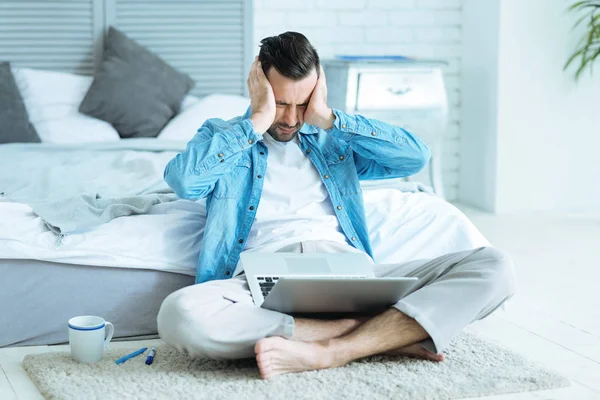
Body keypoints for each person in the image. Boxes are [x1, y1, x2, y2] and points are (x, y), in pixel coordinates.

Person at [157, 31, 517, 380]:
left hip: (346, 269)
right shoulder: (225, 136)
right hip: (260, 278)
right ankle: (375, 334)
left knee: (496, 266)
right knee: (179, 314)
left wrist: (329, 117)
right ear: (258, 84)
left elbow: (415, 157)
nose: (291, 119)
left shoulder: (334, 138)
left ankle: (332, 349)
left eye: (302, 103)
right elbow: (184, 182)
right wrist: (257, 121)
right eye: (281, 103)